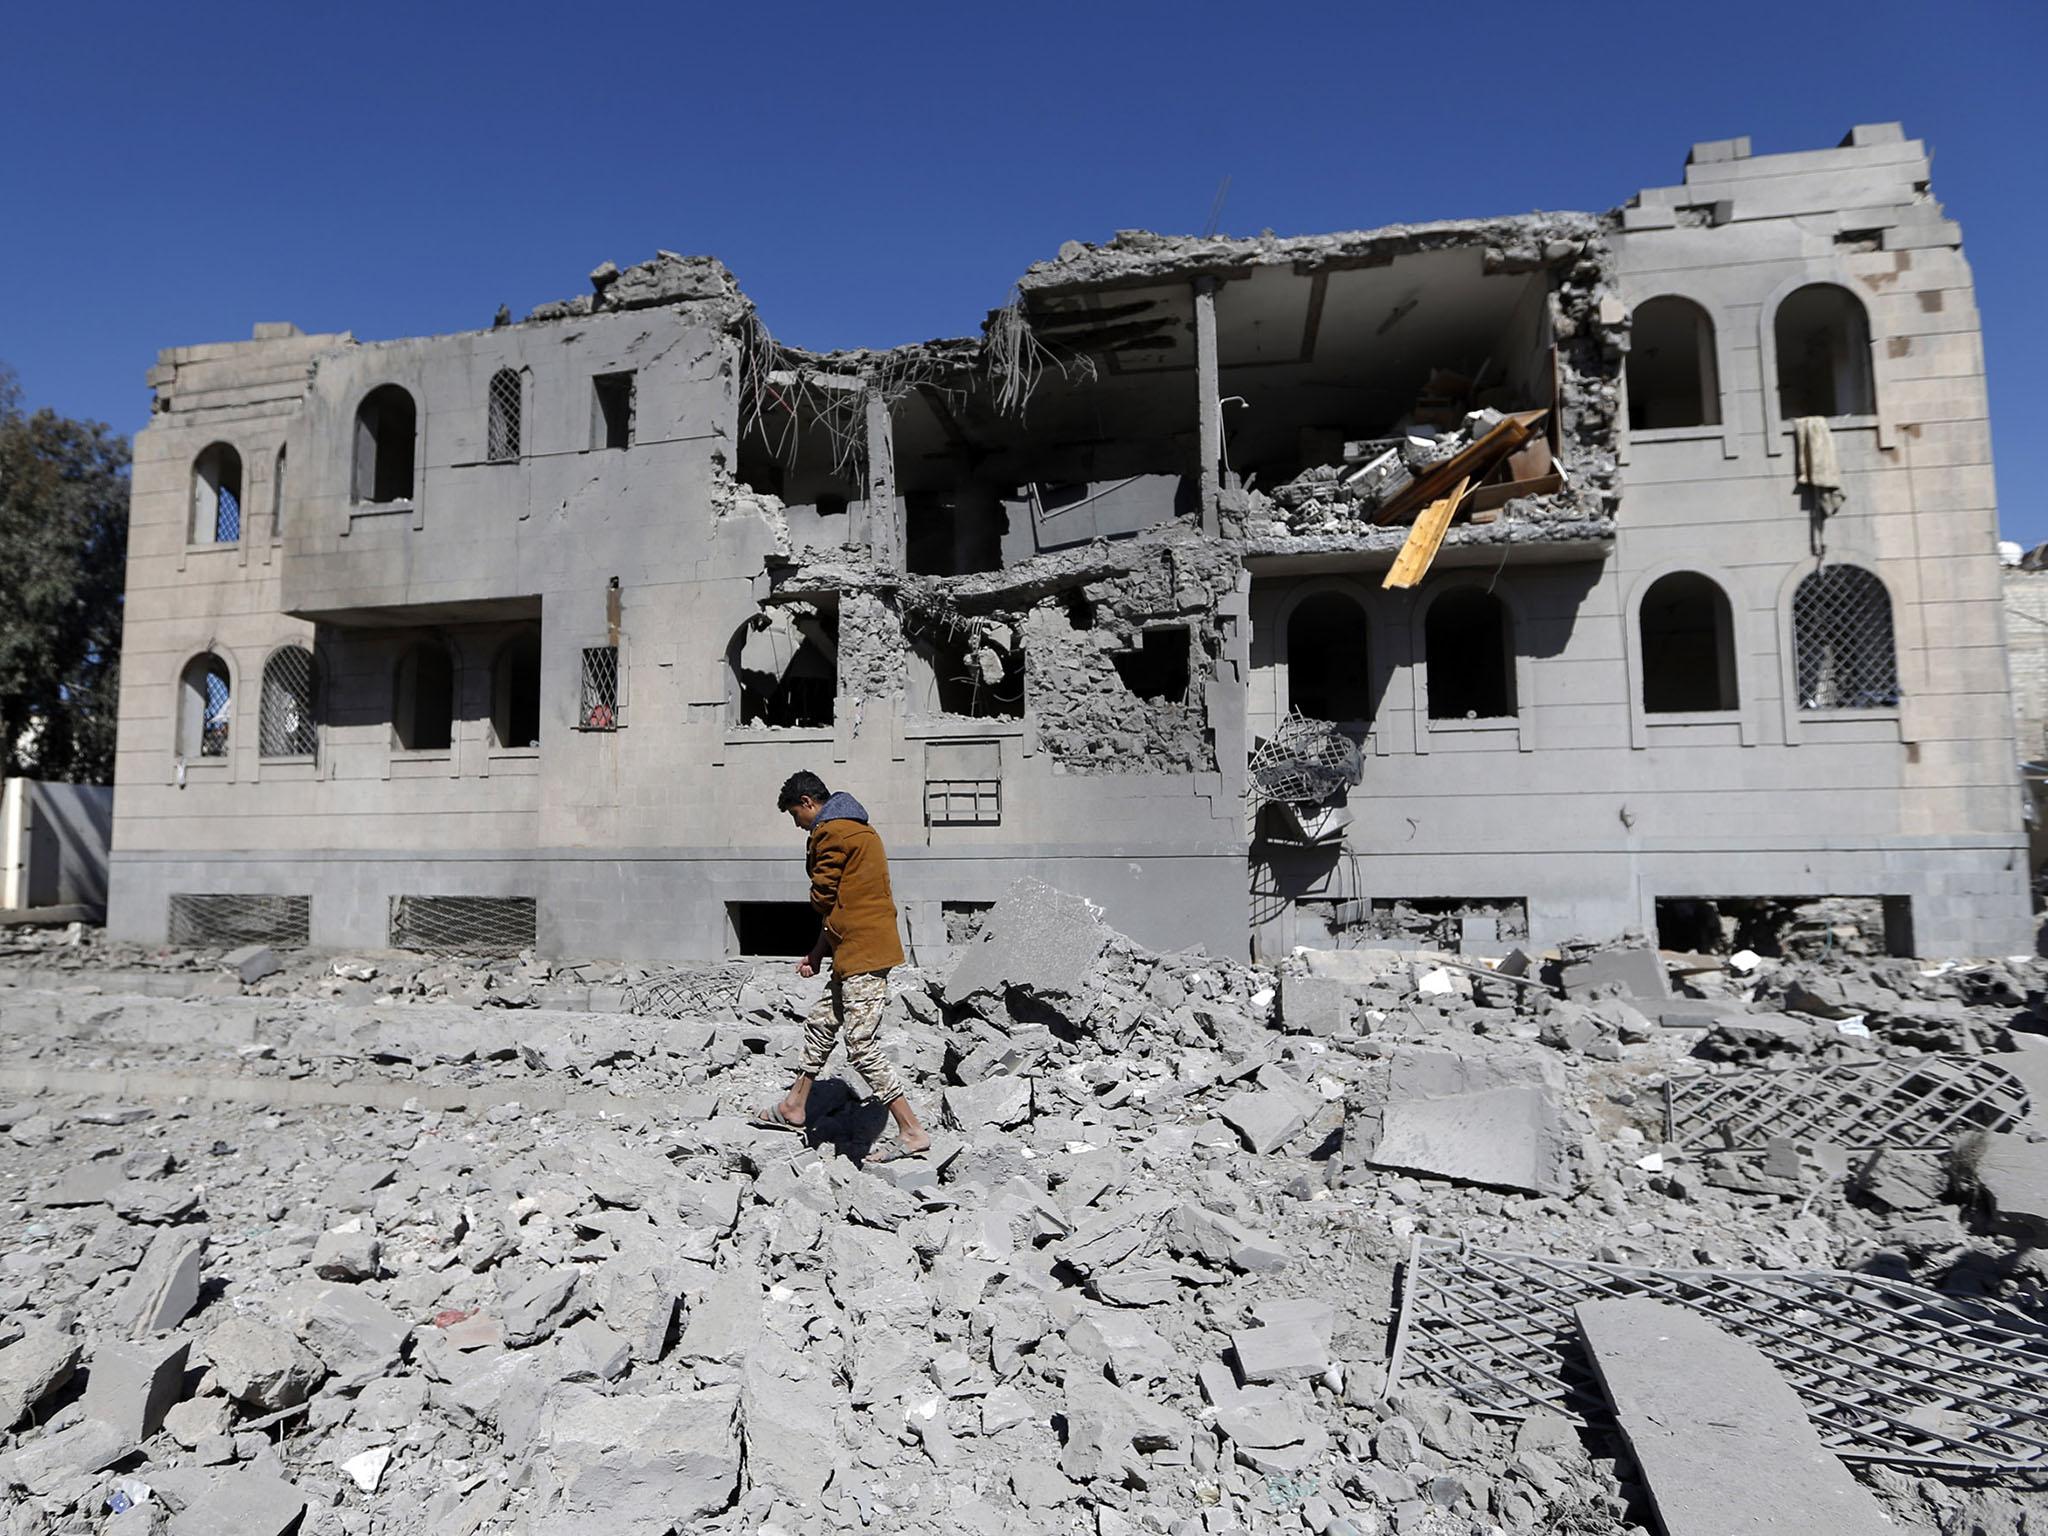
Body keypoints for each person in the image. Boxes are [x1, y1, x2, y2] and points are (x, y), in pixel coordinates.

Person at [753, 771, 932, 1163]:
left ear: (807, 803)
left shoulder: (831, 833)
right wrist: (819, 951)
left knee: (860, 1044)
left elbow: (824, 895)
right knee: (820, 1023)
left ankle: (911, 1129)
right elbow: (846, 904)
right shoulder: (858, 830)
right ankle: (795, 1106)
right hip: (853, 950)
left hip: (864, 956)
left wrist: (815, 893)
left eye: (794, 815)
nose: (797, 824)